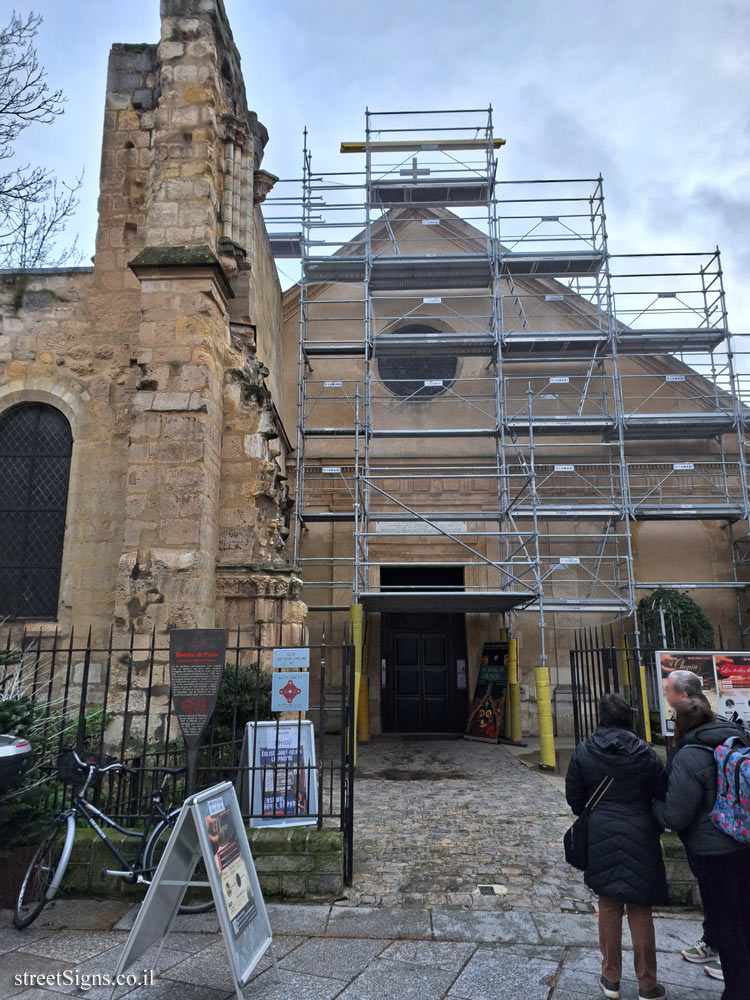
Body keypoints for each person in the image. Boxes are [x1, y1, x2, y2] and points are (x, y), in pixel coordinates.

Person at [565, 693, 669, 1000]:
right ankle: (647, 984)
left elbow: (575, 799)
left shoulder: (585, 751)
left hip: (601, 832)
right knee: (640, 909)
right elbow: (662, 793)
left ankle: (610, 978)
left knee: (608, 906)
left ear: (600, 718)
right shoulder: (647, 754)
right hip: (640, 831)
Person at [653, 698, 750, 999]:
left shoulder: (688, 757)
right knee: (745, 917)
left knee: (725, 924)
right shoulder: (736, 740)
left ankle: (737, 989)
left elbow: (676, 815)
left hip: (713, 853)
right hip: (743, 843)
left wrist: (654, 806)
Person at [662, 670, 718, 967]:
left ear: (682, 696)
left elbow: (678, 807)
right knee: (717, 893)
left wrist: (658, 811)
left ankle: (733, 956)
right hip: (716, 830)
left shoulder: (694, 741)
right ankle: (714, 941)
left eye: (668, 690)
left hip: (712, 833)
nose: (665, 695)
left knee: (725, 896)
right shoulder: (714, 726)